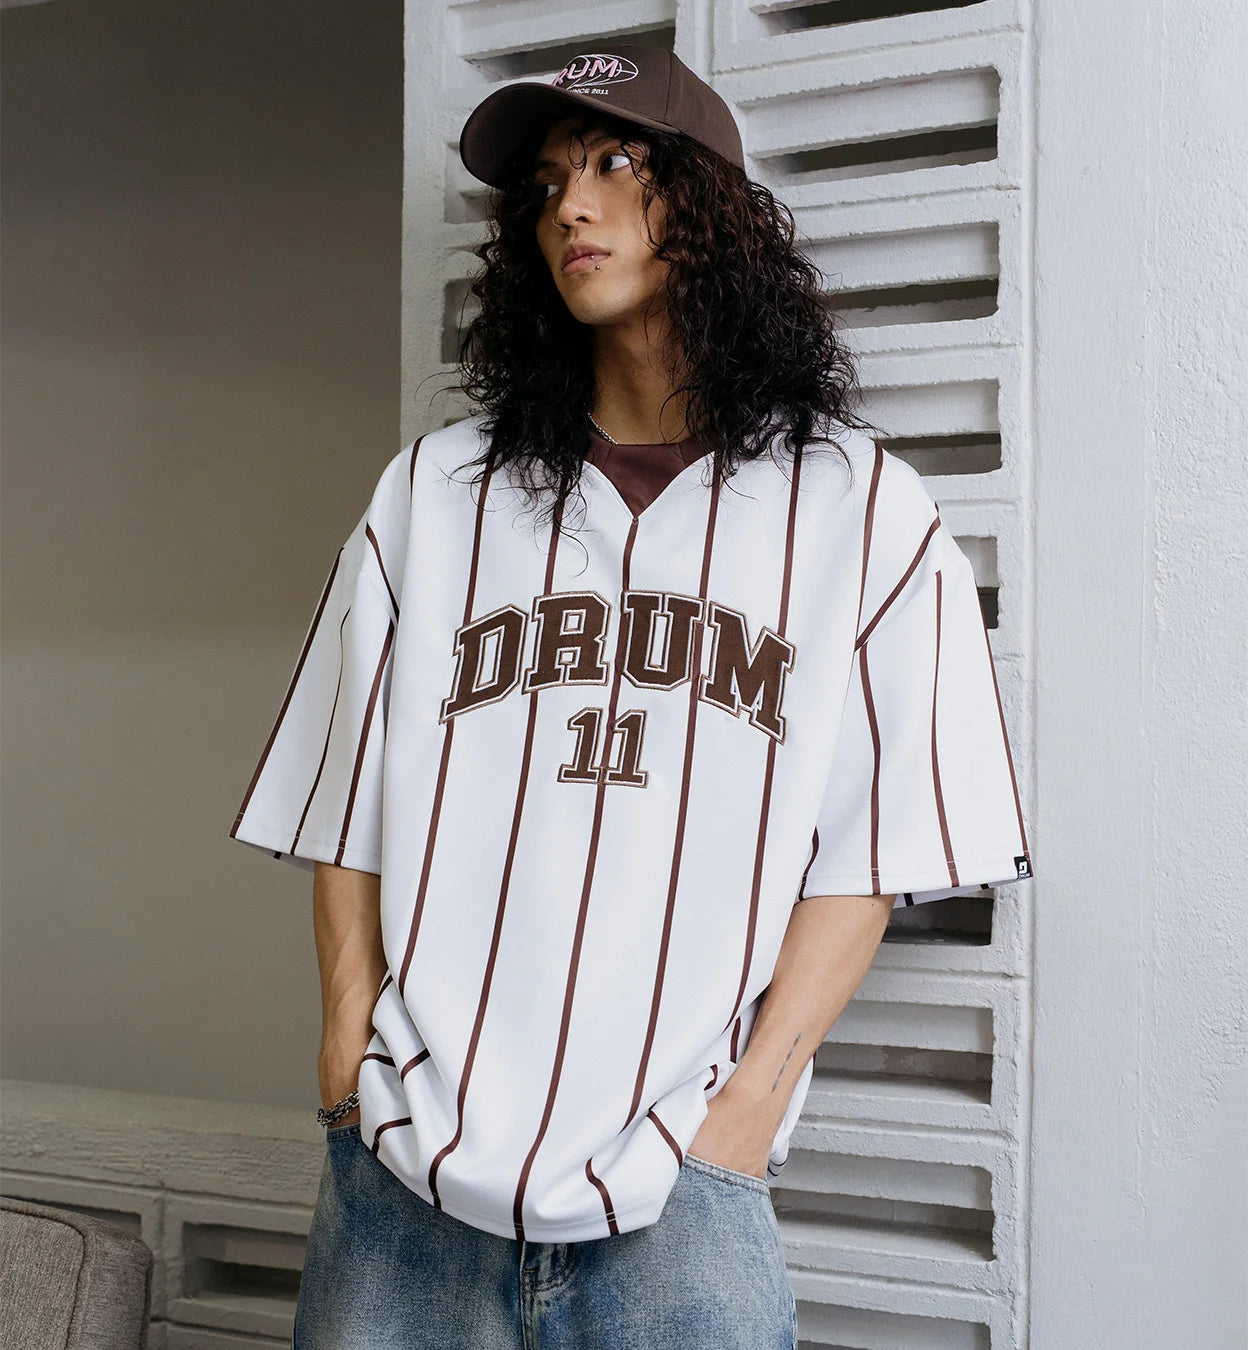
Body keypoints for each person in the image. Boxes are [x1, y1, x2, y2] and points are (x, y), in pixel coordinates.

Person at [229, 44, 1033, 1350]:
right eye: (548, 183)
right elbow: (347, 804)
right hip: (405, 1166)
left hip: (682, 1183)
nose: (573, 207)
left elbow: (874, 851)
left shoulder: (858, 507)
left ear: (708, 207)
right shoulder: (433, 493)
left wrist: (747, 1110)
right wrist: (342, 1053)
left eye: (616, 163)